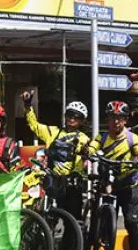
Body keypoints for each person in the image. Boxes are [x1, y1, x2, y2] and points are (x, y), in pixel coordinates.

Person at [86, 101, 138, 250]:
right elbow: (91, 148)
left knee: (131, 223)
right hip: (108, 185)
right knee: (106, 224)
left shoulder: (132, 138)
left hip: (129, 186)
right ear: (107, 119)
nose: (116, 122)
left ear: (125, 120)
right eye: (112, 118)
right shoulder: (102, 137)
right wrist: (87, 152)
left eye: (120, 118)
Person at [21, 90, 90, 218]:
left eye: (77, 117)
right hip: (53, 182)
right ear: (65, 116)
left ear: (82, 121)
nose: (72, 118)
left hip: (72, 184)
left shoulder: (84, 139)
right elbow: (34, 125)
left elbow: (86, 156)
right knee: (48, 216)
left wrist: (86, 153)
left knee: (72, 220)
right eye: (70, 114)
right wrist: (28, 106)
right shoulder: (53, 132)